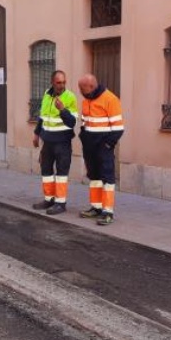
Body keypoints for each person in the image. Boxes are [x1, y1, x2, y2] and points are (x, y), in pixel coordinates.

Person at [77, 73, 125, 225]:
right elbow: (85, 122)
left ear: (90, 87)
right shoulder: (86, 100)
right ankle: (96, 208)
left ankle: (107, 211)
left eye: (81, 88)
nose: (79, 91)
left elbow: (118, 128)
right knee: (94, 177)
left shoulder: (110, 99)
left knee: (107, 178)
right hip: (89, 146)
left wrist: (107, 145)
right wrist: (83, 136)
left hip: (103, 147)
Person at [31, 70, 78, 215]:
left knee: (61, 173)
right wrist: (36, 134)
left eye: (64, 82)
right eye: (58, 83)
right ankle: (49, 199)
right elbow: (42, 116)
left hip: (62, 142)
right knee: (46, 171)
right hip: (48, 141)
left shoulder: (70, 97)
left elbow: (72, 122)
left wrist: (62, 110)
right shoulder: (47, 94)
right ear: (52, 82)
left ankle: (60, 203)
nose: (61, 85)